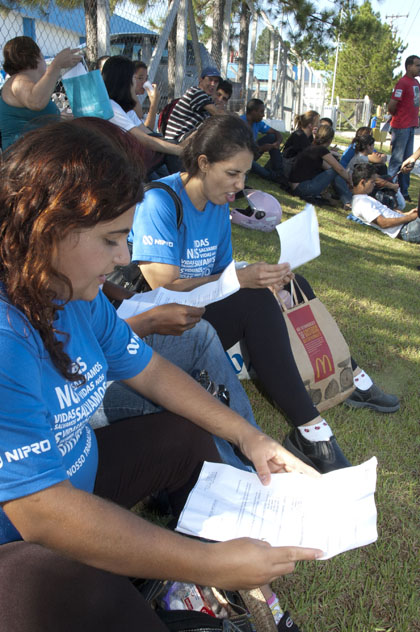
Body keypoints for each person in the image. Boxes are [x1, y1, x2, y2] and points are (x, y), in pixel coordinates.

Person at [0, 118, 322, 631]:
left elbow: (152, 372)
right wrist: (209, 563)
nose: (125, 257)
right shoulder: (7, 333)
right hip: (20, 532)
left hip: (78, 476)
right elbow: (41, 512)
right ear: (49, 229)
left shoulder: (72, 292)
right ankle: (191, 579)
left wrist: (250, 435)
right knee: (66, 582)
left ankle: (190, 580)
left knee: (182, 435)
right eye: (112, 239)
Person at [127, 114, 399, 474]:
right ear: (204, 163)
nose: (239, 185)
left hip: (199, 310)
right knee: (253, 300)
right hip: (163, 324)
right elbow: (164, 286)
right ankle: (311, 432)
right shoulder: (160, 201)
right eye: (232, 174)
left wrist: (258, 275)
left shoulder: (218, 203)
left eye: (244, 174)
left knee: (293, 284)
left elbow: (219, 270)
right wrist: (241, 280)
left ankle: (349, 375)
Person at [102, 55, 182, 174]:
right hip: (122, 163)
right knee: (169, 151)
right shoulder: (111, 107)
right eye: (136, 78)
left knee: (170, 147)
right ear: (125, 80)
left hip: (132, 158)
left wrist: (177, 144)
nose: (141, 82)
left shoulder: (123, 107)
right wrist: (180, 150)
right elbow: (145, 140)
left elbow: (147, 132)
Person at [0, 35, 81, 149]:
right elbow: (36, 102)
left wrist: (59, 117)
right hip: (23, 159)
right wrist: (56, 65)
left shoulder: (25, 83)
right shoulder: (18, 80)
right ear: (36, 56)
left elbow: (33, 118)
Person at [351, 163, 420, 242]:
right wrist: (411, 217)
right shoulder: (361, 203)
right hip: (407, 230)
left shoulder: (364, 198)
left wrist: (407, 214)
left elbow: (388, 214)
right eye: (372, 182)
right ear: (362, 182)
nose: (374, 185)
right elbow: (383, 223)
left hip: (408, 225)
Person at [289, 124, 353, 209]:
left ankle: (346, 199)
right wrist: (350, 181)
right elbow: (339, 169)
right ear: (330, 139)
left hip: (296, 187)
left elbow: (327, 168)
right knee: (336, 170)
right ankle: (348, 200)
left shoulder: (312, 147)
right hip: (302, 188)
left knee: (335, 171)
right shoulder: (321, 150)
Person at [387, 54, 420, 201]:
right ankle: (389, 187)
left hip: (412, 125)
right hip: (401, 126)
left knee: (409, 161)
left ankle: (403, 191)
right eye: (417, 65)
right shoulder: (402, 83)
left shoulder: (416, 83)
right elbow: (392, 104)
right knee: (397, 160)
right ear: (409, 66)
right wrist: (396, 116)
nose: (419, 68)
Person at [347, 135, 405, 210]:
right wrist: (391, 185)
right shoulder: (360, 159)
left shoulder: (362, 157)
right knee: (386, 179)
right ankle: (394, 205)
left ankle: (393, 203)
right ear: (368, 146)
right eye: (373, 145)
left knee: (383, 169)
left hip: (362, 184)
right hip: (358, 187)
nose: (374, 148)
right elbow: (374, 179)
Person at [164, 66, 220, 142]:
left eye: (216, 81)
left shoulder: (207, 98)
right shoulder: (196, 92)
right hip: (177, 139)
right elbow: (217, 114)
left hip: (185, 138)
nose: (213, 84)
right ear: (201, 79)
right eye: (210, 80)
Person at [240, 98, 286, 186]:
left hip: (253, 152)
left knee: (272, 137)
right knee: (261, 171)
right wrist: (261, 148)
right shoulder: (240, 123)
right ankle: (273, 176)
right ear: (253, 112)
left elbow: (276, 133)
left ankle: (279, 171)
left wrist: (277, 142)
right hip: (242, 157)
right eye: (261, 112)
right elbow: (239, 150)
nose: (263, 115)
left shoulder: (258, 123)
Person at [282, 110, 320, 178]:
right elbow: (311, 154)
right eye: (317, 123)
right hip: (288, 167)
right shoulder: (299, 136)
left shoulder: (309, 136)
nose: (319, 125)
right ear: (310, 125)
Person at [132, 60, 161, 131]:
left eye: (146, 78)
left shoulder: (135, 99)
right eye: (140, 78)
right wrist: (154, 103)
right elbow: (147, 131)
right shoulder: (126, 103)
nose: (145, 82)